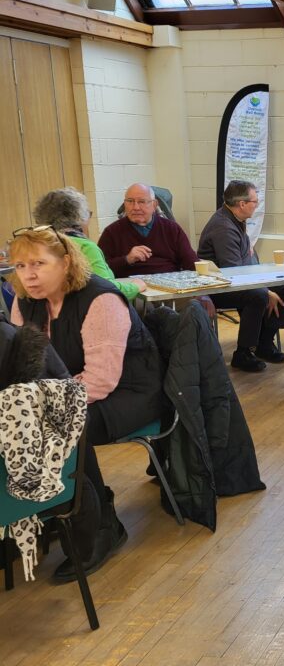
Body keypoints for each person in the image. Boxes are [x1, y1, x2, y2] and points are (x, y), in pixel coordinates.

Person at [8, 227, 165, 581]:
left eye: (38, 264)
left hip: (128, 394)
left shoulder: (101, 299)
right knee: (15, 428)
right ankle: (40, 515)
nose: (28, 275)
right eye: (19, 266)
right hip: (65, 393)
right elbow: (23, 366)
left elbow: (101, 381)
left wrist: (40, 406)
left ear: (65, 263)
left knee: (65, 427)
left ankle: (100, 527)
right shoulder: (24, 301)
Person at [198, 181, 284, 372]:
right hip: (218, 286)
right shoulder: (224, 227)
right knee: (258, 296)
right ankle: (243, 352)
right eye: (254, 202)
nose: (256, 206)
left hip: (236, 279)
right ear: (242, 204)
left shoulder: (236, 219)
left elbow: (249, 258)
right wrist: (265, 291)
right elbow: (234, 273)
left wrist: (268, 285)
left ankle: (264, 343)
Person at [32, 187, 146, 301]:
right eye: (88, 214)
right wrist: (135, 286)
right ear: (78, 217)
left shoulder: (37, 244)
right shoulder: (84, 247)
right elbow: (107, 290)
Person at [98, 183, 201, 276]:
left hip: (170, 285)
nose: (136, 207)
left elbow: (191, 263)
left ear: (154, 205)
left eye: (142, 202)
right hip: (132, 289)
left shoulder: (171, 229)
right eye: (130, 201)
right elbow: (99, 270)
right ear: (125, 204)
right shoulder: (112, 232)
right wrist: (127, 259)